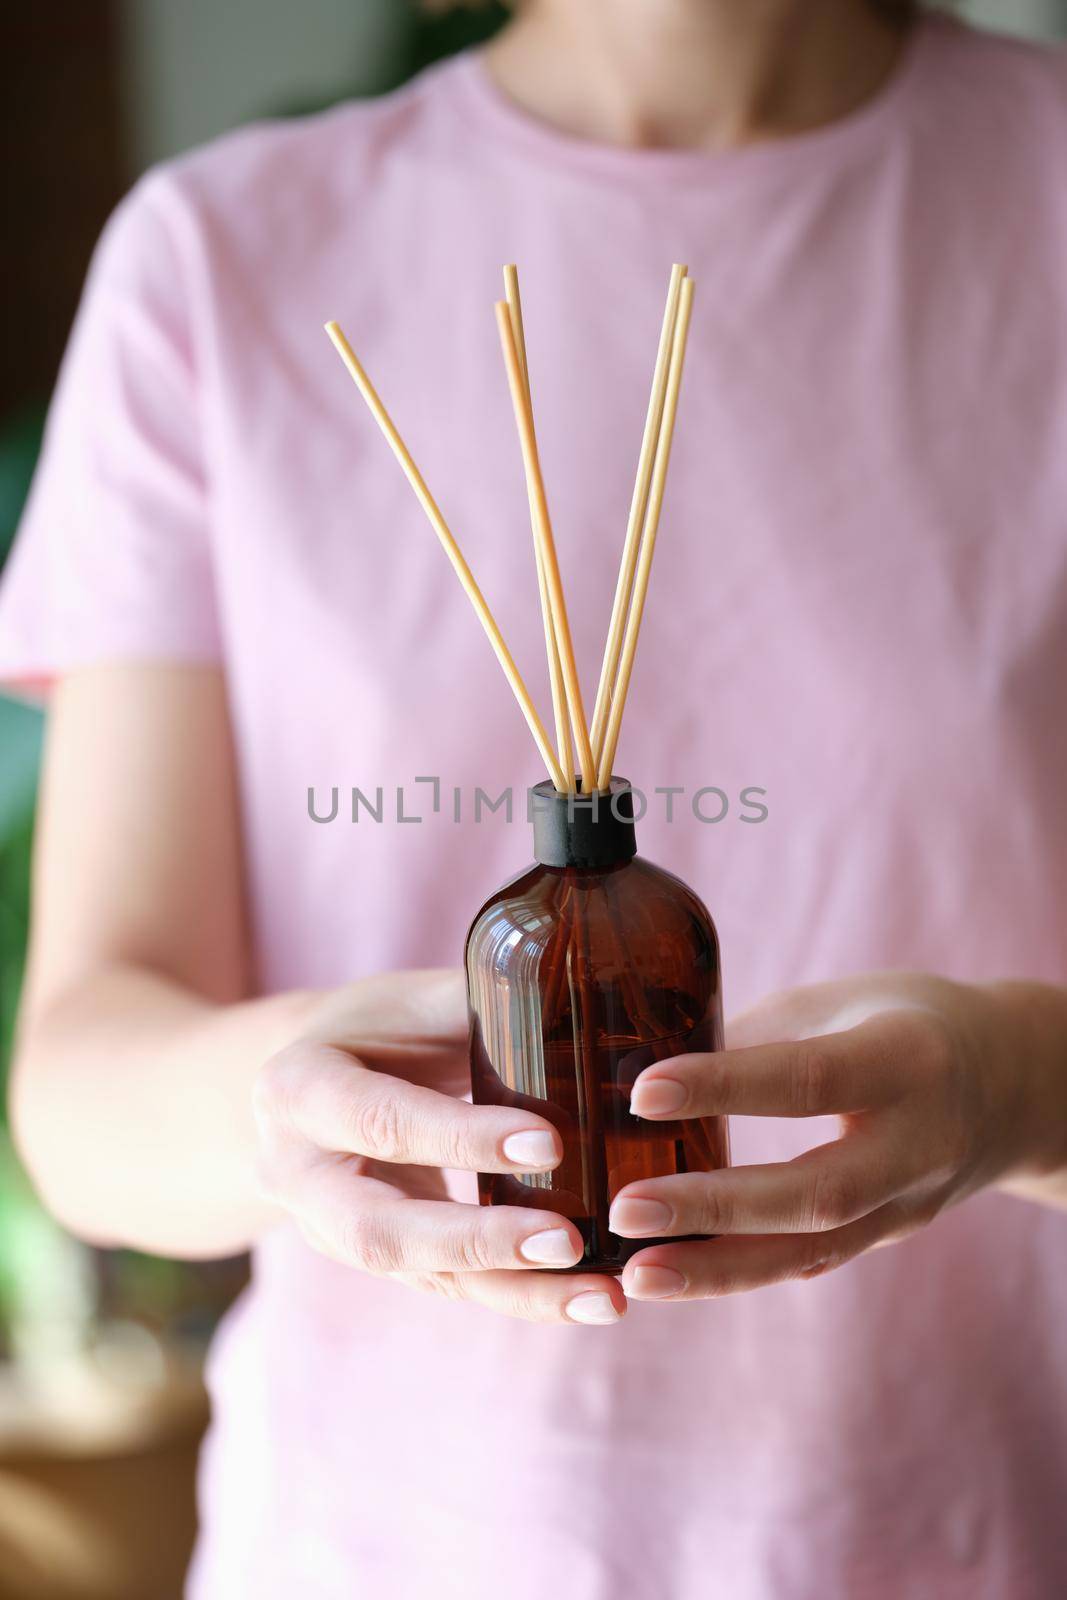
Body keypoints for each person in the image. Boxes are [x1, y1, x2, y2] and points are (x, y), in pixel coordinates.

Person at [2, 0, 1066, 1594]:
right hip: (371, 1548)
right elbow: (83, 1084)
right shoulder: (219, 259)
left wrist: (1017, 1091)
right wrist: (285, 1113)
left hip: (978, 1533)